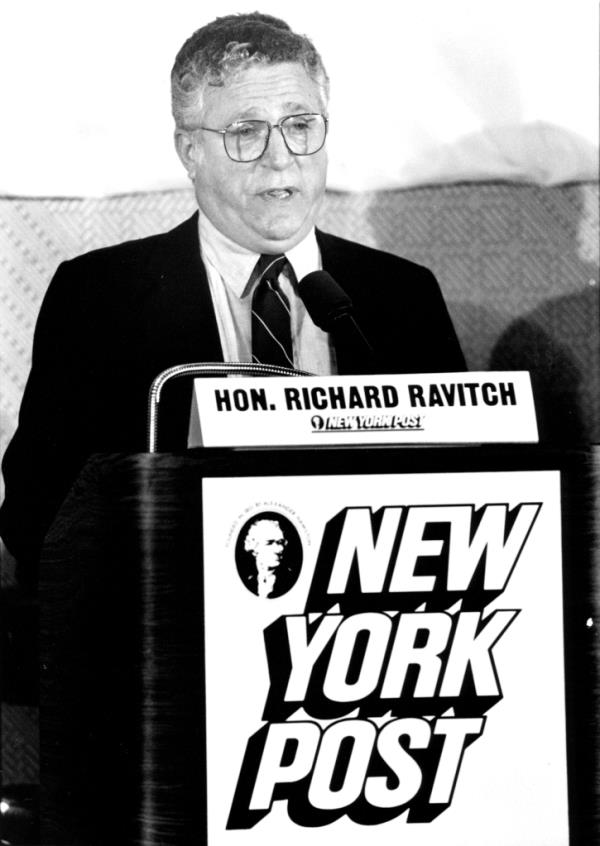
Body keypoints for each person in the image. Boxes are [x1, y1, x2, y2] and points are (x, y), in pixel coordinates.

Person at [0, 12, 465, 584]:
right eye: (247, 132)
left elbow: (466, 501)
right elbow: (36, 518)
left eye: (300, 124)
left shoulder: (402, 294)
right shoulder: (99, 296)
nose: (280, 156)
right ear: (190, 151)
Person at [240, 518, 298, 598]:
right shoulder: (247, 581)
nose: (280, 548)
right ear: (254, 547)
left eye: (280, 542)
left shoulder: (292, 580)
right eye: (269, 543)